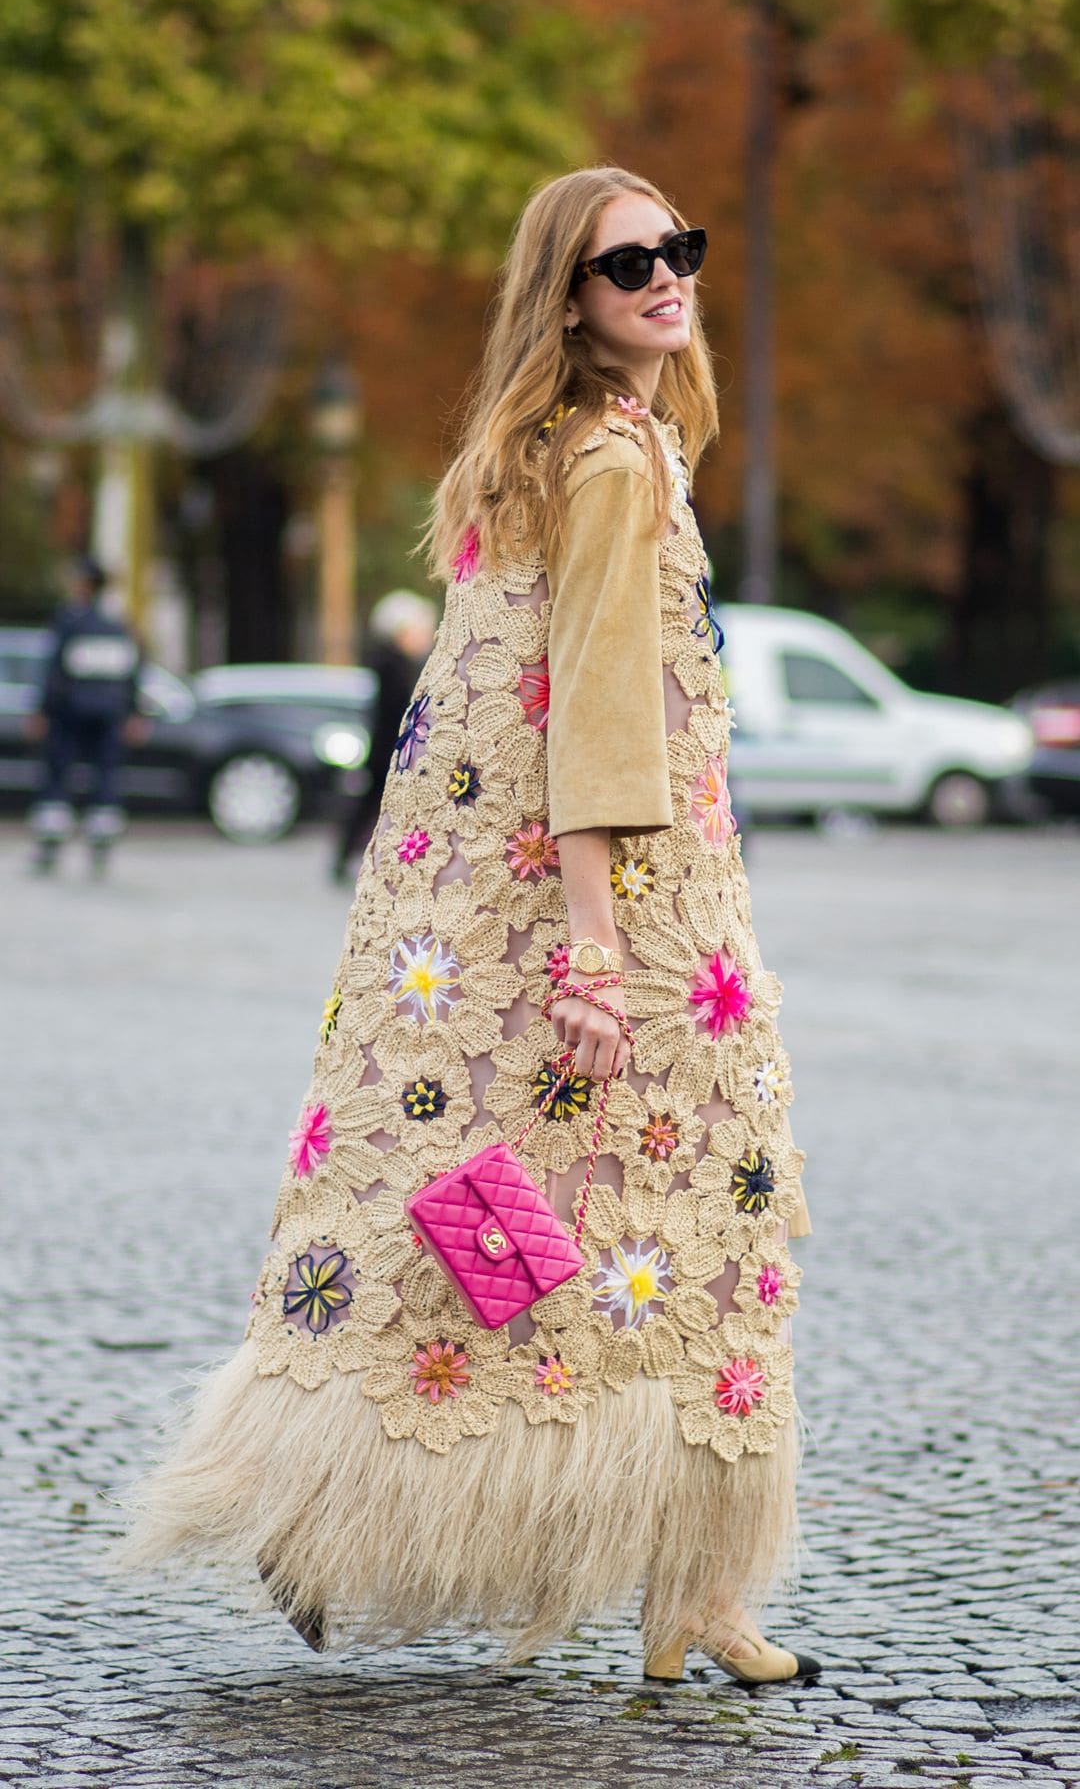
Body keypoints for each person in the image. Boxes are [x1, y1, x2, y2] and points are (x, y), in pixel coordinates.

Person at [121, 166, 818, 1688]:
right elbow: (599, 718)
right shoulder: (613, 461)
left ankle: (341, 1508)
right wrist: (597, 949)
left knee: (493, 1211)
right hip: (610, 914)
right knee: (676, 1222)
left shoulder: (551, 453)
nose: (664, 277)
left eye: (679, 249)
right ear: (567, 298)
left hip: (464, 931)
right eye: (627, 260)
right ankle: (666, 1576)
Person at [27, 556, 144, 875]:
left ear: (85, 585)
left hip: (70, 713)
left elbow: (53, 672)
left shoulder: (69, 622)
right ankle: (100, 849)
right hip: (109, 715)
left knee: (57, 776)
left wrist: (42, 711)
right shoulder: (118, 625)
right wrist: (134, 712)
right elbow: (133, 672)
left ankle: (50, 848)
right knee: (105, 779)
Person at [331, 590, 437, 885]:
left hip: (387, 748)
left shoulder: (392, 663)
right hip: (389, 749)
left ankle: (354, 857)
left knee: (375, 806)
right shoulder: (393, 666)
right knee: (381, 806)